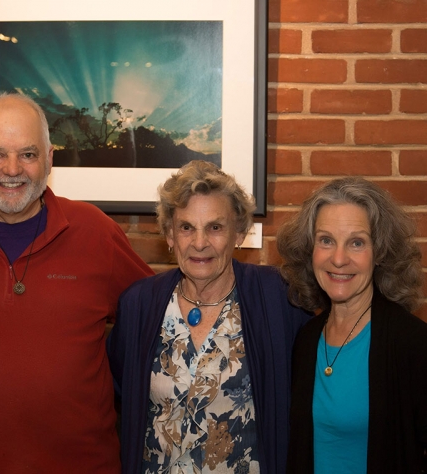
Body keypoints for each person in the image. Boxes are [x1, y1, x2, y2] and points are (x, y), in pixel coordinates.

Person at [0, 92, 153, 473]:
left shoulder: (95, 232)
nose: (12, 169)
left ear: (49, 159)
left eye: (27, 154)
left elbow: (157, 323)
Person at [106, 160, 311, 474]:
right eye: (186, 227)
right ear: (170, 235)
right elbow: (121, 391)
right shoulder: (139, 305)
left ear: (238, 233)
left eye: (215, 227)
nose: (199, 243)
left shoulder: (278, 298)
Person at [277, 177, 427, 474]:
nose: (339, 258)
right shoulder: (306, 339)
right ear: (310, 249)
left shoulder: (412, 342)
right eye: (326, 240)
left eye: (356, 242)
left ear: (380, 252)